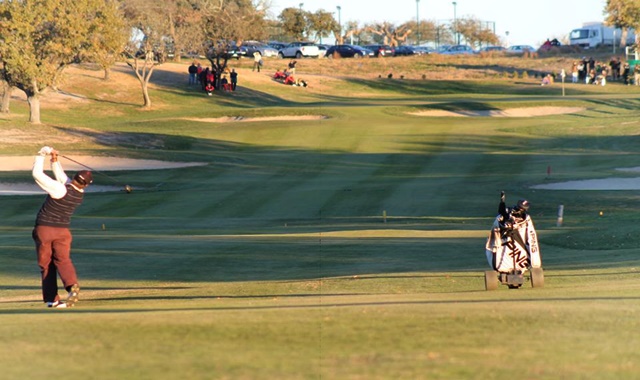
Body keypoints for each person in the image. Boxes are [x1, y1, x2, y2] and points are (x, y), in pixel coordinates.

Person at [32, 146, 92, 308]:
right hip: (63, 232)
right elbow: (61, 178)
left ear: (75, 178)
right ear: (86, 184)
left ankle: (52, 299)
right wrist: (54, 160)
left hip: (45, 229)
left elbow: (37, 175)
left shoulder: (60, 189)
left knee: (46, 264)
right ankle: (72, 286)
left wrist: (41, 155)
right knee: (63, 260)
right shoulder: (78, 194)